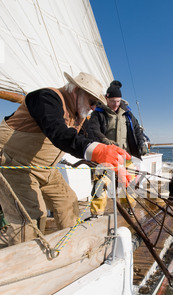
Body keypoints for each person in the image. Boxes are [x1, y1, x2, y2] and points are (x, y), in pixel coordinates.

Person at [0, 72, 131, 247]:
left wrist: (111, 158)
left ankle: (67, 248)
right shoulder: (46, 98)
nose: (93, 107)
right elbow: (58, 132)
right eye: (92, 101)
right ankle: (23, 266)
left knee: (68, 203)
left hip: (45, 169)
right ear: (77, 91)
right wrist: (97, 151)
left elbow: (89, 139)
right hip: (13, 164)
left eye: (96, 103)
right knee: (30, 217)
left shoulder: (80, 114)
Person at [83, 80, 147, 215]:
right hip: (107, 157)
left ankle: (129, 208)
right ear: (106, 98)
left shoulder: (127, 114)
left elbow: (137, 130)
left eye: (118, 101)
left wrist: (141, 143)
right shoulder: (98, 113)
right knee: (101, 183)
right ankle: (96, 213)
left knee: (128, 183)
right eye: (113, 101)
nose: (116, 104)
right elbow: (92, 129)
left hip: (125, 156)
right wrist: (105, 140)